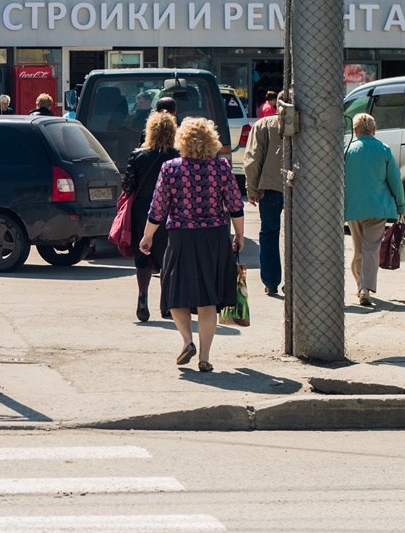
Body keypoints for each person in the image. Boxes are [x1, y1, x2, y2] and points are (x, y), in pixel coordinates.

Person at [138, 117, 245, 373]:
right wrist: (240, 235)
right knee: (208, 298)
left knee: (175, 294)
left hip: (181, 237)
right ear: (212, 140)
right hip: (214, 237)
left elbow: (158, 208)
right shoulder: (221, 167)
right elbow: (235, 205)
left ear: (181, 141)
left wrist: (147, 236)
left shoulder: (170, 168)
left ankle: (187, 341)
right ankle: (204, 357)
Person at [343, 112, 405, 308]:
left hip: (353, 208)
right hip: (378, 207)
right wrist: (401, 206)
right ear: (373, 129)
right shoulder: (383, 149)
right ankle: (365, 288)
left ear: (355, 131)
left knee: (358, 249)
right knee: (371, 249)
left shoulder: (347, 151)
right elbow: (395, 180)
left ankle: (360, 285)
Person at [122, 111, 178, 322]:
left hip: (142, 211)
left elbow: (127, 185)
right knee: (167, 257)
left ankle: (143, 295)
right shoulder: (177, 156)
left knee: (143, 256)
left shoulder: (138, 155)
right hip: (169, 211)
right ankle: (166, 304)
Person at [243, 88, 287, 297]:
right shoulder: (305, 126)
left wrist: (252, 189)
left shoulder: (263, 125)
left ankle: (271, 281)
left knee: (269, 233)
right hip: (302, 188)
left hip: (270, 188)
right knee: (300, 235)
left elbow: (253, 159)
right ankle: (296, 279)